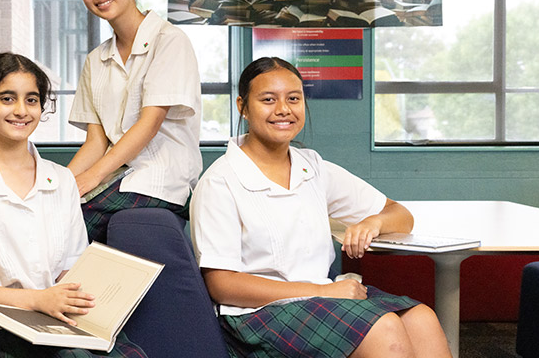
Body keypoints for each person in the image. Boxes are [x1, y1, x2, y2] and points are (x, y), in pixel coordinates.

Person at [190, 57, 451, 358]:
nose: (283, 110)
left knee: (421, 320)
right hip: (254, 314)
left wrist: (372, 224)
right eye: (268, 100)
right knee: (385, 329)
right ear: (243, 107)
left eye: (293, 99)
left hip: (322, 297)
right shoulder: (220, 181)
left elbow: (401, 215)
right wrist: (322, 291)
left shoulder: (312, 167)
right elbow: (222, 285)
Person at [0, 53, 147, 358]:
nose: (21, 110)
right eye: (7, 99)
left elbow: (69, 273)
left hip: (51, 320)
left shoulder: (61, 180)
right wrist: (35, 300)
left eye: (31, 100)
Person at [68, 0, 202, 243]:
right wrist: (59, 185)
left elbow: (149, 124)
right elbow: (96, 140)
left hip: (162, 180)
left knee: (69, 225)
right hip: (121, 177)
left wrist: (91, 178)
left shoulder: (169, 41)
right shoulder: (95, 60)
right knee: (53, 209)